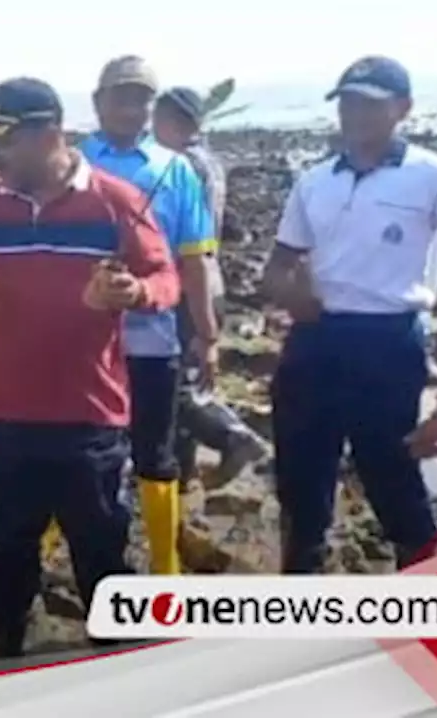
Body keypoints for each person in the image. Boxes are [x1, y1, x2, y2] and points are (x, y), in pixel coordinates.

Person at [0, 77, 179, 658]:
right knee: (7, 553)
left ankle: (114, 668)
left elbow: (165, 279)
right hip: (3, 414)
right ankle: (9, 656)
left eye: (5, 140)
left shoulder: (115, 201)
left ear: (49, 135)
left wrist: (132, 292)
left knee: (101, 554)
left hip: (88, 420)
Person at [263, 56, 437, 573]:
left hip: (388, 342)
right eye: (348, 102)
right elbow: (279, 265)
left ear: (403, 109)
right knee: (301, 485)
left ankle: (428, 603)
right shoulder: (314, 181)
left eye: (371, 103)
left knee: (393, 479)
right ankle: (300, 598)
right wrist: (291, 296)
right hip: (314, 339)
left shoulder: (435, 177)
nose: (356, 114)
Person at [44, 56, 219, 577]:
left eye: (141, 98)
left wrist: (207, 335)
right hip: (79, 342)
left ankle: (166, 574)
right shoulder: (69, 163)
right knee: (72, 451)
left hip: (153, 339)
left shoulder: (176, 168)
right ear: (98, 102)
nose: (130, 107)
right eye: (120, 96)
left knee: (155, 453)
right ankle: (48, 551)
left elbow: (195, 259)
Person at [151, 87, 271, 486]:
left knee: (172, 387)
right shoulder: (211, 161)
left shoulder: (179, 163)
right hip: (208, 278)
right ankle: (181, 474)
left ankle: (232, 438)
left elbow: (178, 236)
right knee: (186, 378)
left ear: (176, 122)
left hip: (186, 282)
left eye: (157, 120)